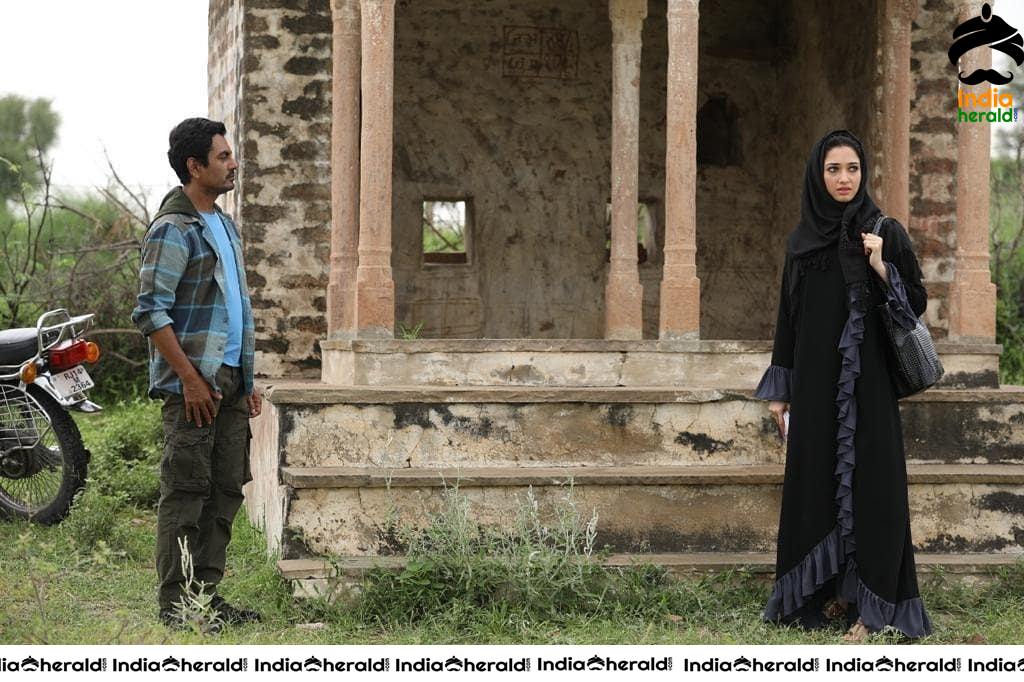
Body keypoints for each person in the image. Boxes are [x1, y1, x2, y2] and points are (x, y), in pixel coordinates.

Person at [753, 130, 932, 640]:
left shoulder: (884, 231)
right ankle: (821, 597)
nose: (844, 179)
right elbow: (788, 319)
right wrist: (781, 388)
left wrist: (880, 266)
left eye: (852, 169)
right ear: (818, 174)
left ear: (863, 173)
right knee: (816, 487)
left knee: (874, 487)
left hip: (868, 384)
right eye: (834, 169)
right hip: (813, 384)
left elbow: (915, 303)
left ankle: (873, 605)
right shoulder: (800, 241)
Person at [132, 117, 261, 629]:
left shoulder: (225, 226)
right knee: (187, 493)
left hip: (229, 380)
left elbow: (237, 309)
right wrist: (189, 379)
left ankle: (206, 600)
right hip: (194, 385)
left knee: (226, 489)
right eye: (224, 157)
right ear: (195, 166)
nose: (233, 165)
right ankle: (178, 607)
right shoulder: (172, 229)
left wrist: (246, 381)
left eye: (231, 155)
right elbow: (150, 312)